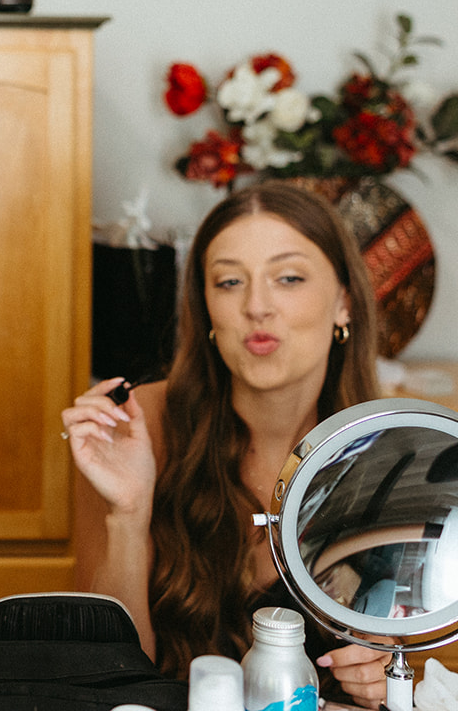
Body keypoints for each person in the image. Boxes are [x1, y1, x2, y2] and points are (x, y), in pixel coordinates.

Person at [62, 181, 388, 707]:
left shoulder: (392, 446)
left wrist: (384, 684)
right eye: (230, 281)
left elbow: (413, 675)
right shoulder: (134, 427)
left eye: (288, 278)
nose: (257, 306)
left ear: (344, 302)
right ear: (207, 309)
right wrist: (128, 514)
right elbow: (106, 676)